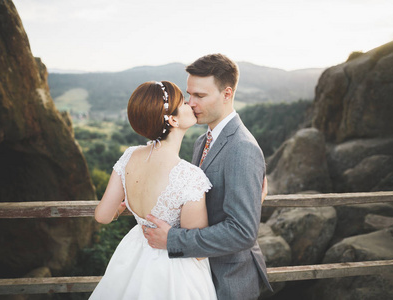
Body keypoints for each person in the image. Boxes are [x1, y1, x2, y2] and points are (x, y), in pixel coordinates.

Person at [143, 54, 273, 300]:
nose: (191, 103)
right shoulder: (202, 140)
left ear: (227, 94)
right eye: (189, 94)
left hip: (229, 280)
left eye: (200, 96)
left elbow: (243, 232)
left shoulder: (242, 148)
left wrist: (172, 239)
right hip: (197, 276)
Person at [89, 81, 217, 299]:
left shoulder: (129, 156)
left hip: (133, 255)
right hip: (173, 273)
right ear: (173, 119)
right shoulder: (189, 176)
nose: (190, 105)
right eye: (184, 103)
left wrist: (122, 208)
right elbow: (198, 253)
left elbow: (102, 216)